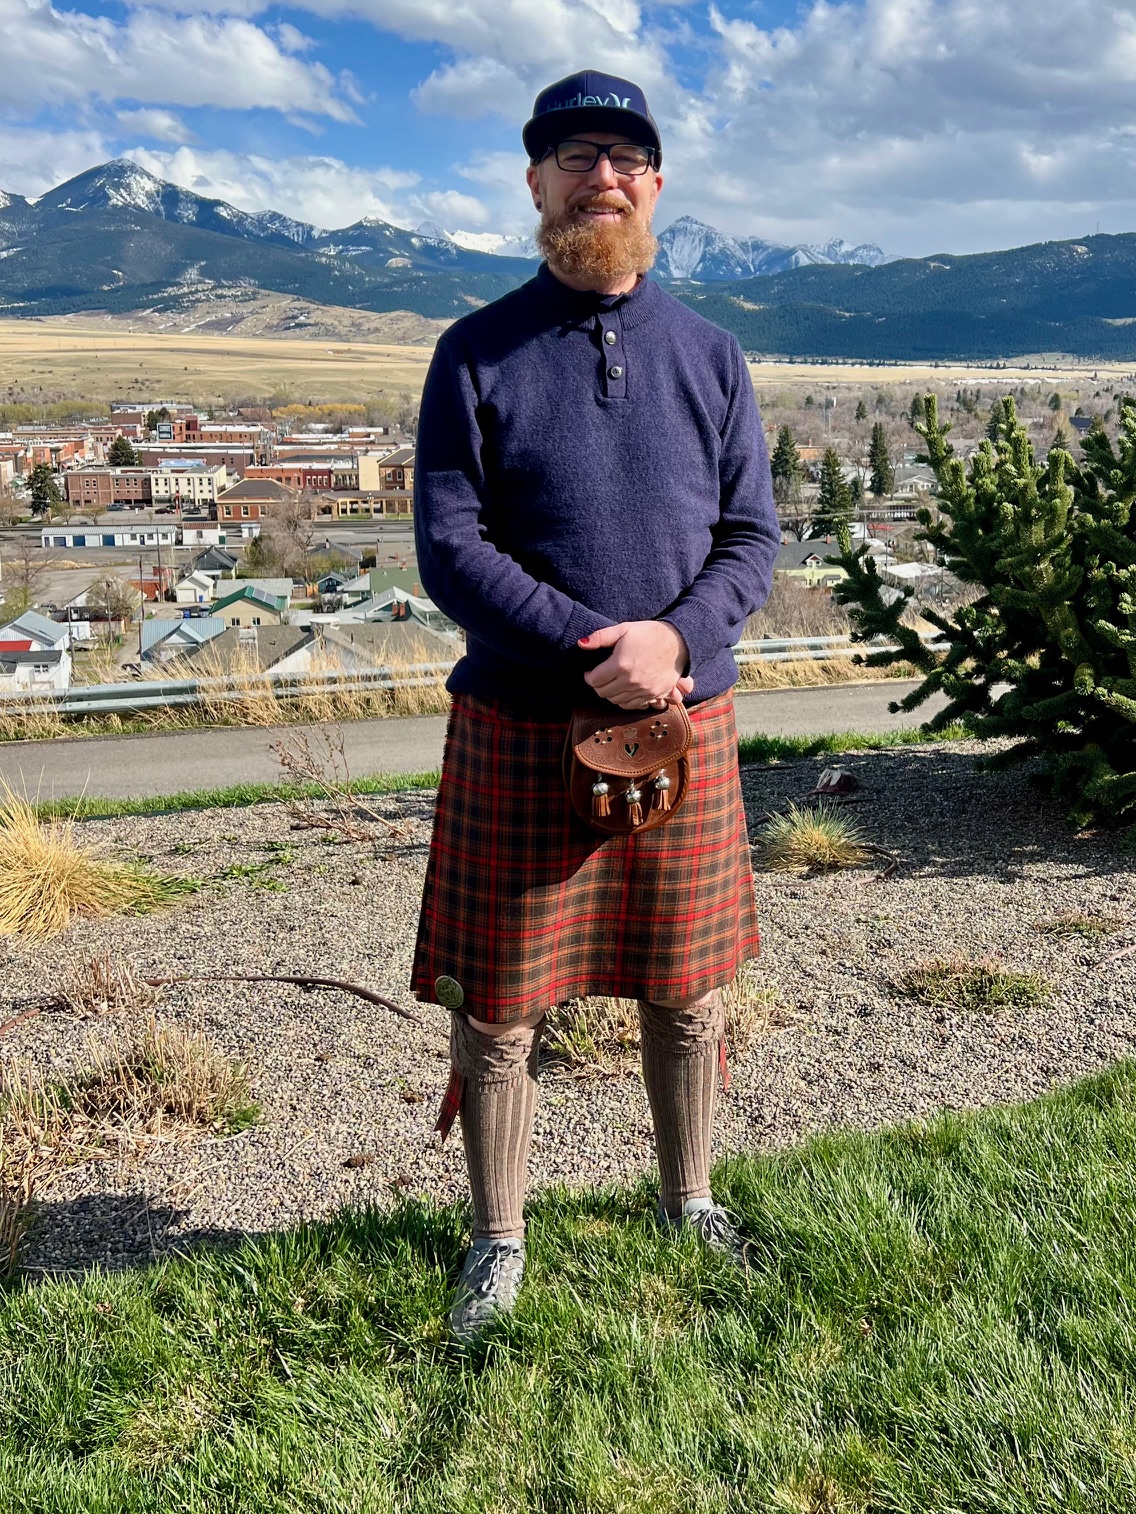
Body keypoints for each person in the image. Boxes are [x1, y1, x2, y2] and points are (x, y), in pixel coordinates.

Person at [411, 68, 780, 1343]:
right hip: (523, 720)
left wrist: (672, 638)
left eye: (623, 159)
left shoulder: (711, 354)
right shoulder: (473, 351)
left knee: (687, 988)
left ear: (655, 185)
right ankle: (496, 1239)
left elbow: (750, 538)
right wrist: (590, 647)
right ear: (535, 182)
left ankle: (689, 1200)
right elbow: (450, 548)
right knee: (499, 1004)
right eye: (574, 157)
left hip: (683, 717)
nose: (600, 179)